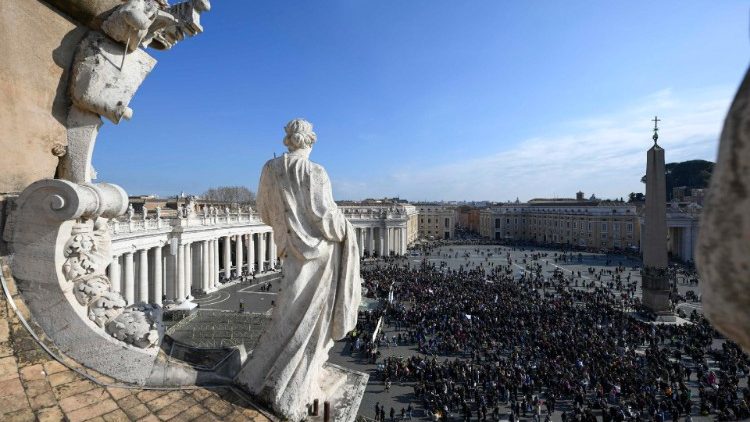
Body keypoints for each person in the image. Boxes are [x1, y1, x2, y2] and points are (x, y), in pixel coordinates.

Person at [236, 119, 361, 420]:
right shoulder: (315, 172)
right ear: (311, 141)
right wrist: (348, 229)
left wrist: (287, 226)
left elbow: (264, 211)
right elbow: (326, 217)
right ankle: (296, 383)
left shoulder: (269, 169)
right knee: (310, 320)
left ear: (288, 141)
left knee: (287, 311)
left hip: (290, 248)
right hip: (320, 256)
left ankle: (261, 375)